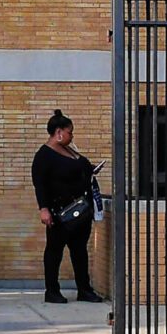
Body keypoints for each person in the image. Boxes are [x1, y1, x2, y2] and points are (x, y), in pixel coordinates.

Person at [32, 109, 105, 304]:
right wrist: (44, 208)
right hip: (59, 213)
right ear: (59, 132)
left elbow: (83, 167)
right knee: (54, 251)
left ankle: (84, 289)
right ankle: (52, 290)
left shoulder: (70, 150)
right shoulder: (44, 156)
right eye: (70, 132)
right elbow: (40, 184)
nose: (72, 136)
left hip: (80, 211)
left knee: (79, 250)